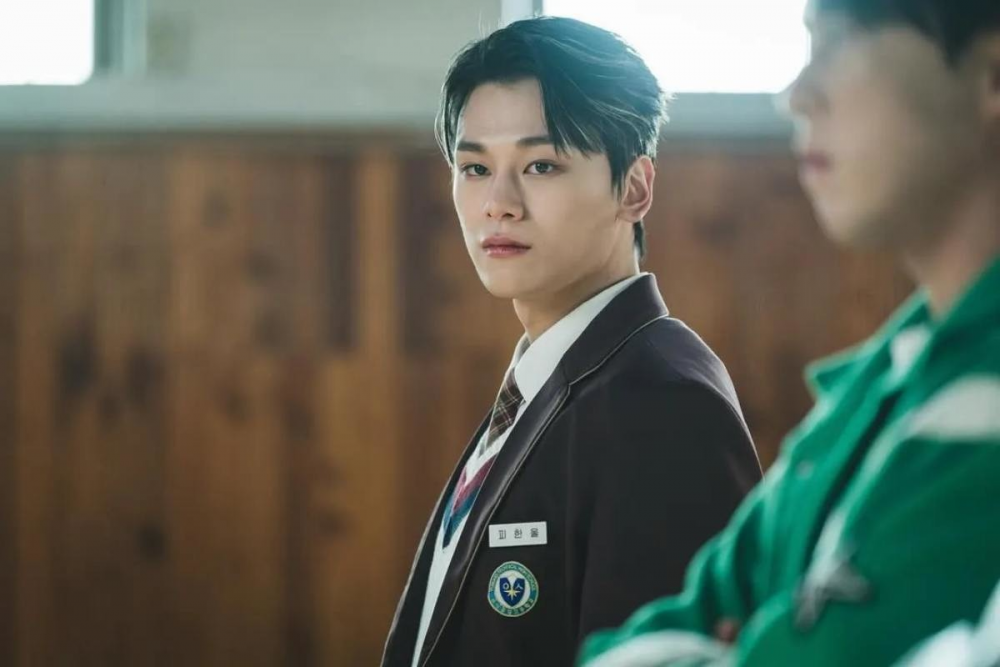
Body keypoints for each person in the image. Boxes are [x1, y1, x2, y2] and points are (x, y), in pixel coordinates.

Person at [578, 0, 1000, 665]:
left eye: (837, 45)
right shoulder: (875, 383)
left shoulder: (979, 399)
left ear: (992, 76)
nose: (796, 96)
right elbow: (655, 629)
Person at [381, 16, 762, 667]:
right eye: (475, 167)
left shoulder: (661, 401)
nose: (499, 203)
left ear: (635, 188)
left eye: (541, 164)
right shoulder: (546, 382)